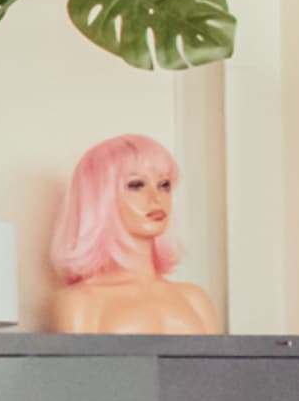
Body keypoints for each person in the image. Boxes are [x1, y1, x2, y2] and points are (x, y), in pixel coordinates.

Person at [49, 132, 218, 334]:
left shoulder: (194, 298)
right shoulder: (80, 302)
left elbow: (220, 357)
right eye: (136, 185)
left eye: (164, 185)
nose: (156, 198)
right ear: (100, 199)